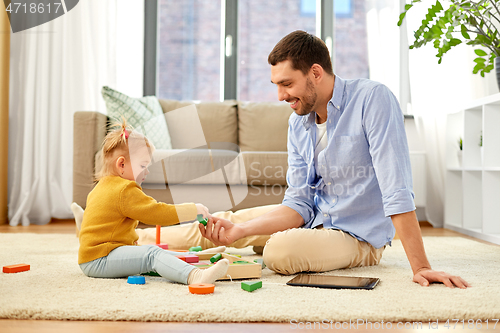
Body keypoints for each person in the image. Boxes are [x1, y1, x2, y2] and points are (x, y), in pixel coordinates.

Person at [154, 30, 469, 289]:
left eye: (287, 84)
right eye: (276, 85)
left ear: (315, 73)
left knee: (278, 250)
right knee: (226, 221)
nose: (279, 96)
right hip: (313, 219)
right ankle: (130, 241)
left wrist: (422, 266)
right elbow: (299, 204)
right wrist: (242, 230)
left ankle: (272, 244)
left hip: (358, 237)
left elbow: (396, 187)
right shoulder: (297, 123)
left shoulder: (373, 100)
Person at [75, 120, 229, 285]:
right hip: (100, 259)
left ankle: (200, 257)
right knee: (152, 254)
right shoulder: (124, 190)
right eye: (143, 165)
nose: (147, 172)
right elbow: (157, 213)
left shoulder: (102, 186)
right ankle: (195, 276)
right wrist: (192, 210)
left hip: (95, 258)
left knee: (158, 253)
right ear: (121, 164)